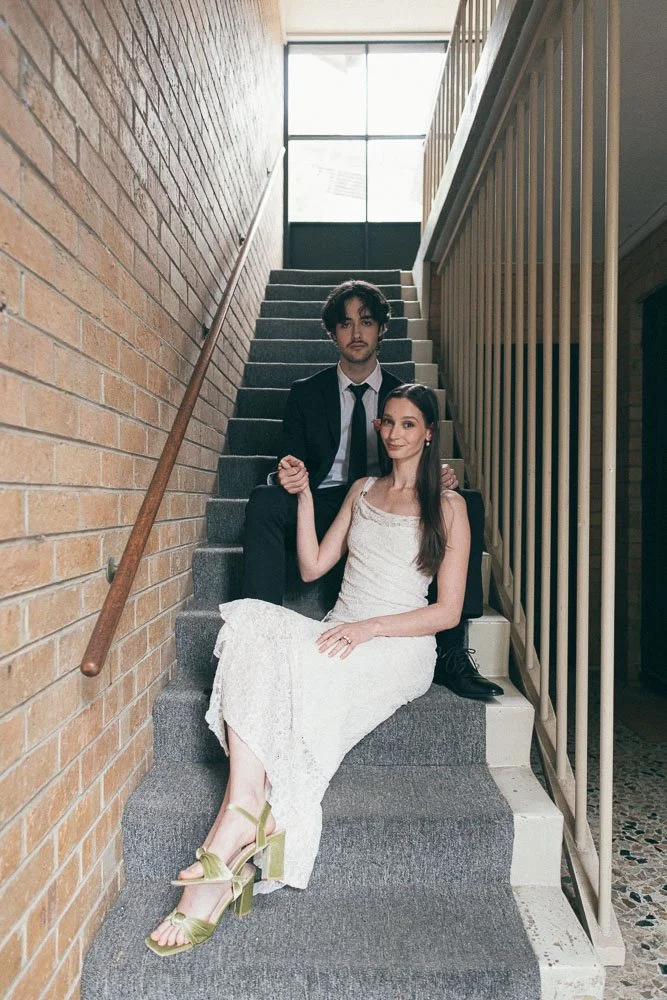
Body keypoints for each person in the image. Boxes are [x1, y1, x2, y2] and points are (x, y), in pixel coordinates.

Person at [147, 383, 471, 955]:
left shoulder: (449, 506)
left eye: (408, 424)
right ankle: (245, 811)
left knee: (296, 680)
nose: (394, 433)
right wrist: (301, 497)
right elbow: (312, 562)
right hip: (339, 627)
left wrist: (369, 629)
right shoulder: (360, 490)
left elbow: (446, 612)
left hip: (396, 643)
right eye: (388, 422)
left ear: (427, 433)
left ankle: (228, 845)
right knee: (247, 624)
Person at [242, 279, 502, 701]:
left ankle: (451, 650)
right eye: (345, 324)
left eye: (366, 321)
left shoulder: (404, 396)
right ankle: (260, 631)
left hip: (390, 503)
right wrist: (286, 475)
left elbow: (418, 460)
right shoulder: (305, 394)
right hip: (331, 501)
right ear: (333, 334)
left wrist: (442, 481)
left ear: (383, 329)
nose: (357, 332)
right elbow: (289, 461)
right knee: (265, 500)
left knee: (464, 504)